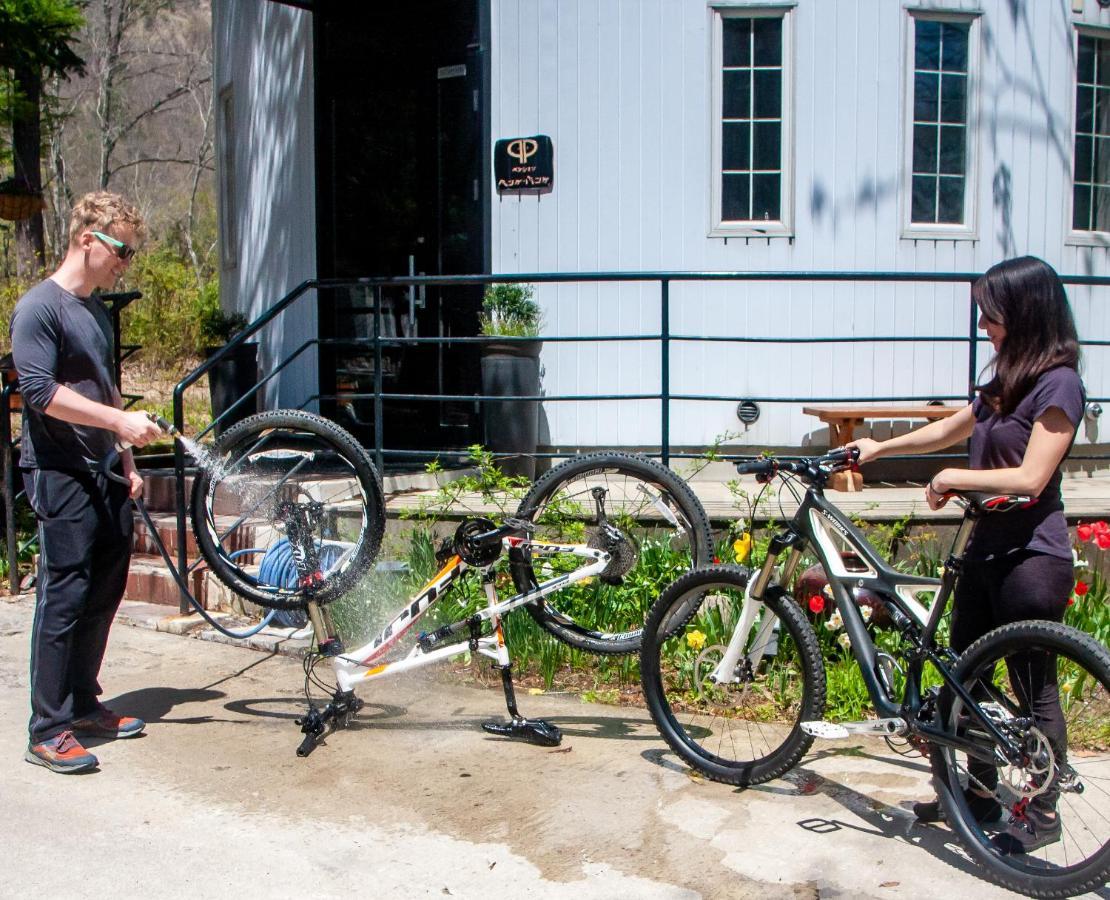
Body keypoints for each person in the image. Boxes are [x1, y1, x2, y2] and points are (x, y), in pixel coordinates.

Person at [848, 255, 1084, 855]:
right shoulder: (1009, 380)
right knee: (966, 684)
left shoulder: (1059, 384)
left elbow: (1031, 478)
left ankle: (1042, 814)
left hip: (1032, 556)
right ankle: (974, 796)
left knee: (1034, 693)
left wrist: (954, 478)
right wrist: (881, 447)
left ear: (1025, 312)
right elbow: (954, 426)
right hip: (983, 551)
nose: (984, 324)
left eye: (991, 313)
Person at [9, 191, 163, 773]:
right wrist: (117, 422)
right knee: (64, 597)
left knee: (104, 592)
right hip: (58, 473)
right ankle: (46, 729)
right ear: (87, 239)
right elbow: (42, 394)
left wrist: (126, 457)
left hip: (104, 471)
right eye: (122, 249)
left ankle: (82, 703)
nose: (127, 261)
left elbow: (106, 384)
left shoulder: (95, 310)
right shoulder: (38, 309)